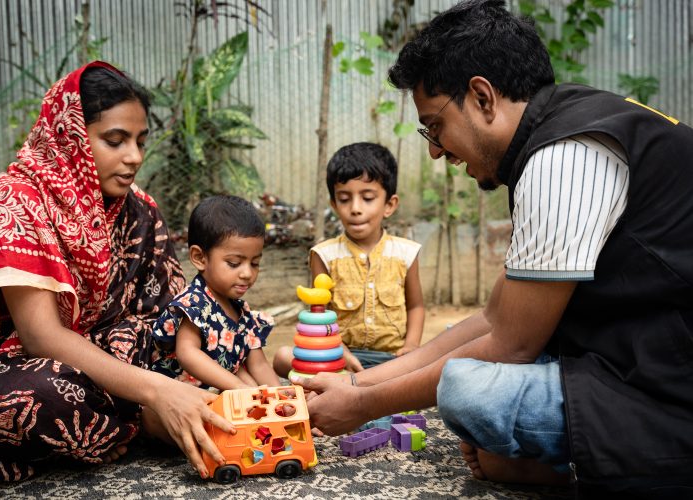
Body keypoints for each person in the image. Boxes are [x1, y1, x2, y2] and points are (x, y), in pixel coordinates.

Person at [293, 1, 693, 497]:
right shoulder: (557, 132)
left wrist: (362, 407)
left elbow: (510, 344)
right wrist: (356, 387)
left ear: (482, 96)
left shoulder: (562, 159)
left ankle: (618, 470)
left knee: (468, 391)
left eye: (435, 126)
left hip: (670, 389)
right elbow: (493, 318)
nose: (435, 150)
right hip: (642, 353)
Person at [0, 61, 235, 481]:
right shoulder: (15, 206)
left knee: (184, 335)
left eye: (139, 140)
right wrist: (158, 390)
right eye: (115, 141)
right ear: (70, 138)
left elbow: (168, 313)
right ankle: (146, 421)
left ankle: (139, 414)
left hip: (97, 356)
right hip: (10, 364)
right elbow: (41, 337)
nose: (134, 157)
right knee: (30, 397)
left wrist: (216, 374)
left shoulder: (137, 209)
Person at [272, 142, 424, 376]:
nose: (355, 208)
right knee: (283, 357)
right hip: (338, 358)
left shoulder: (405, 254)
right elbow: (318, 314)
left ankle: (362, 388)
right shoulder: (325, 255)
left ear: (389, 205)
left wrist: (411, 347)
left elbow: (416, 306)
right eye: (344, 199)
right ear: (334, 204)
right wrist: (339, 351)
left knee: (438, 365)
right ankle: (361, 387)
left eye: (368, 198)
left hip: (392, 361)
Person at [150, 194, 281, 391]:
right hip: (181, 399)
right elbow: (188, 354)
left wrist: (280, 397)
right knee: (248, 387)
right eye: (234, 263)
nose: (247, 273)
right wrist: (239, 389)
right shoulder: (194, 304)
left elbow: (259, 364)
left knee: (256, 387)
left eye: (255, 263)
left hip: (222, 395)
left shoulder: (242, 314)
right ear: (200, 257)